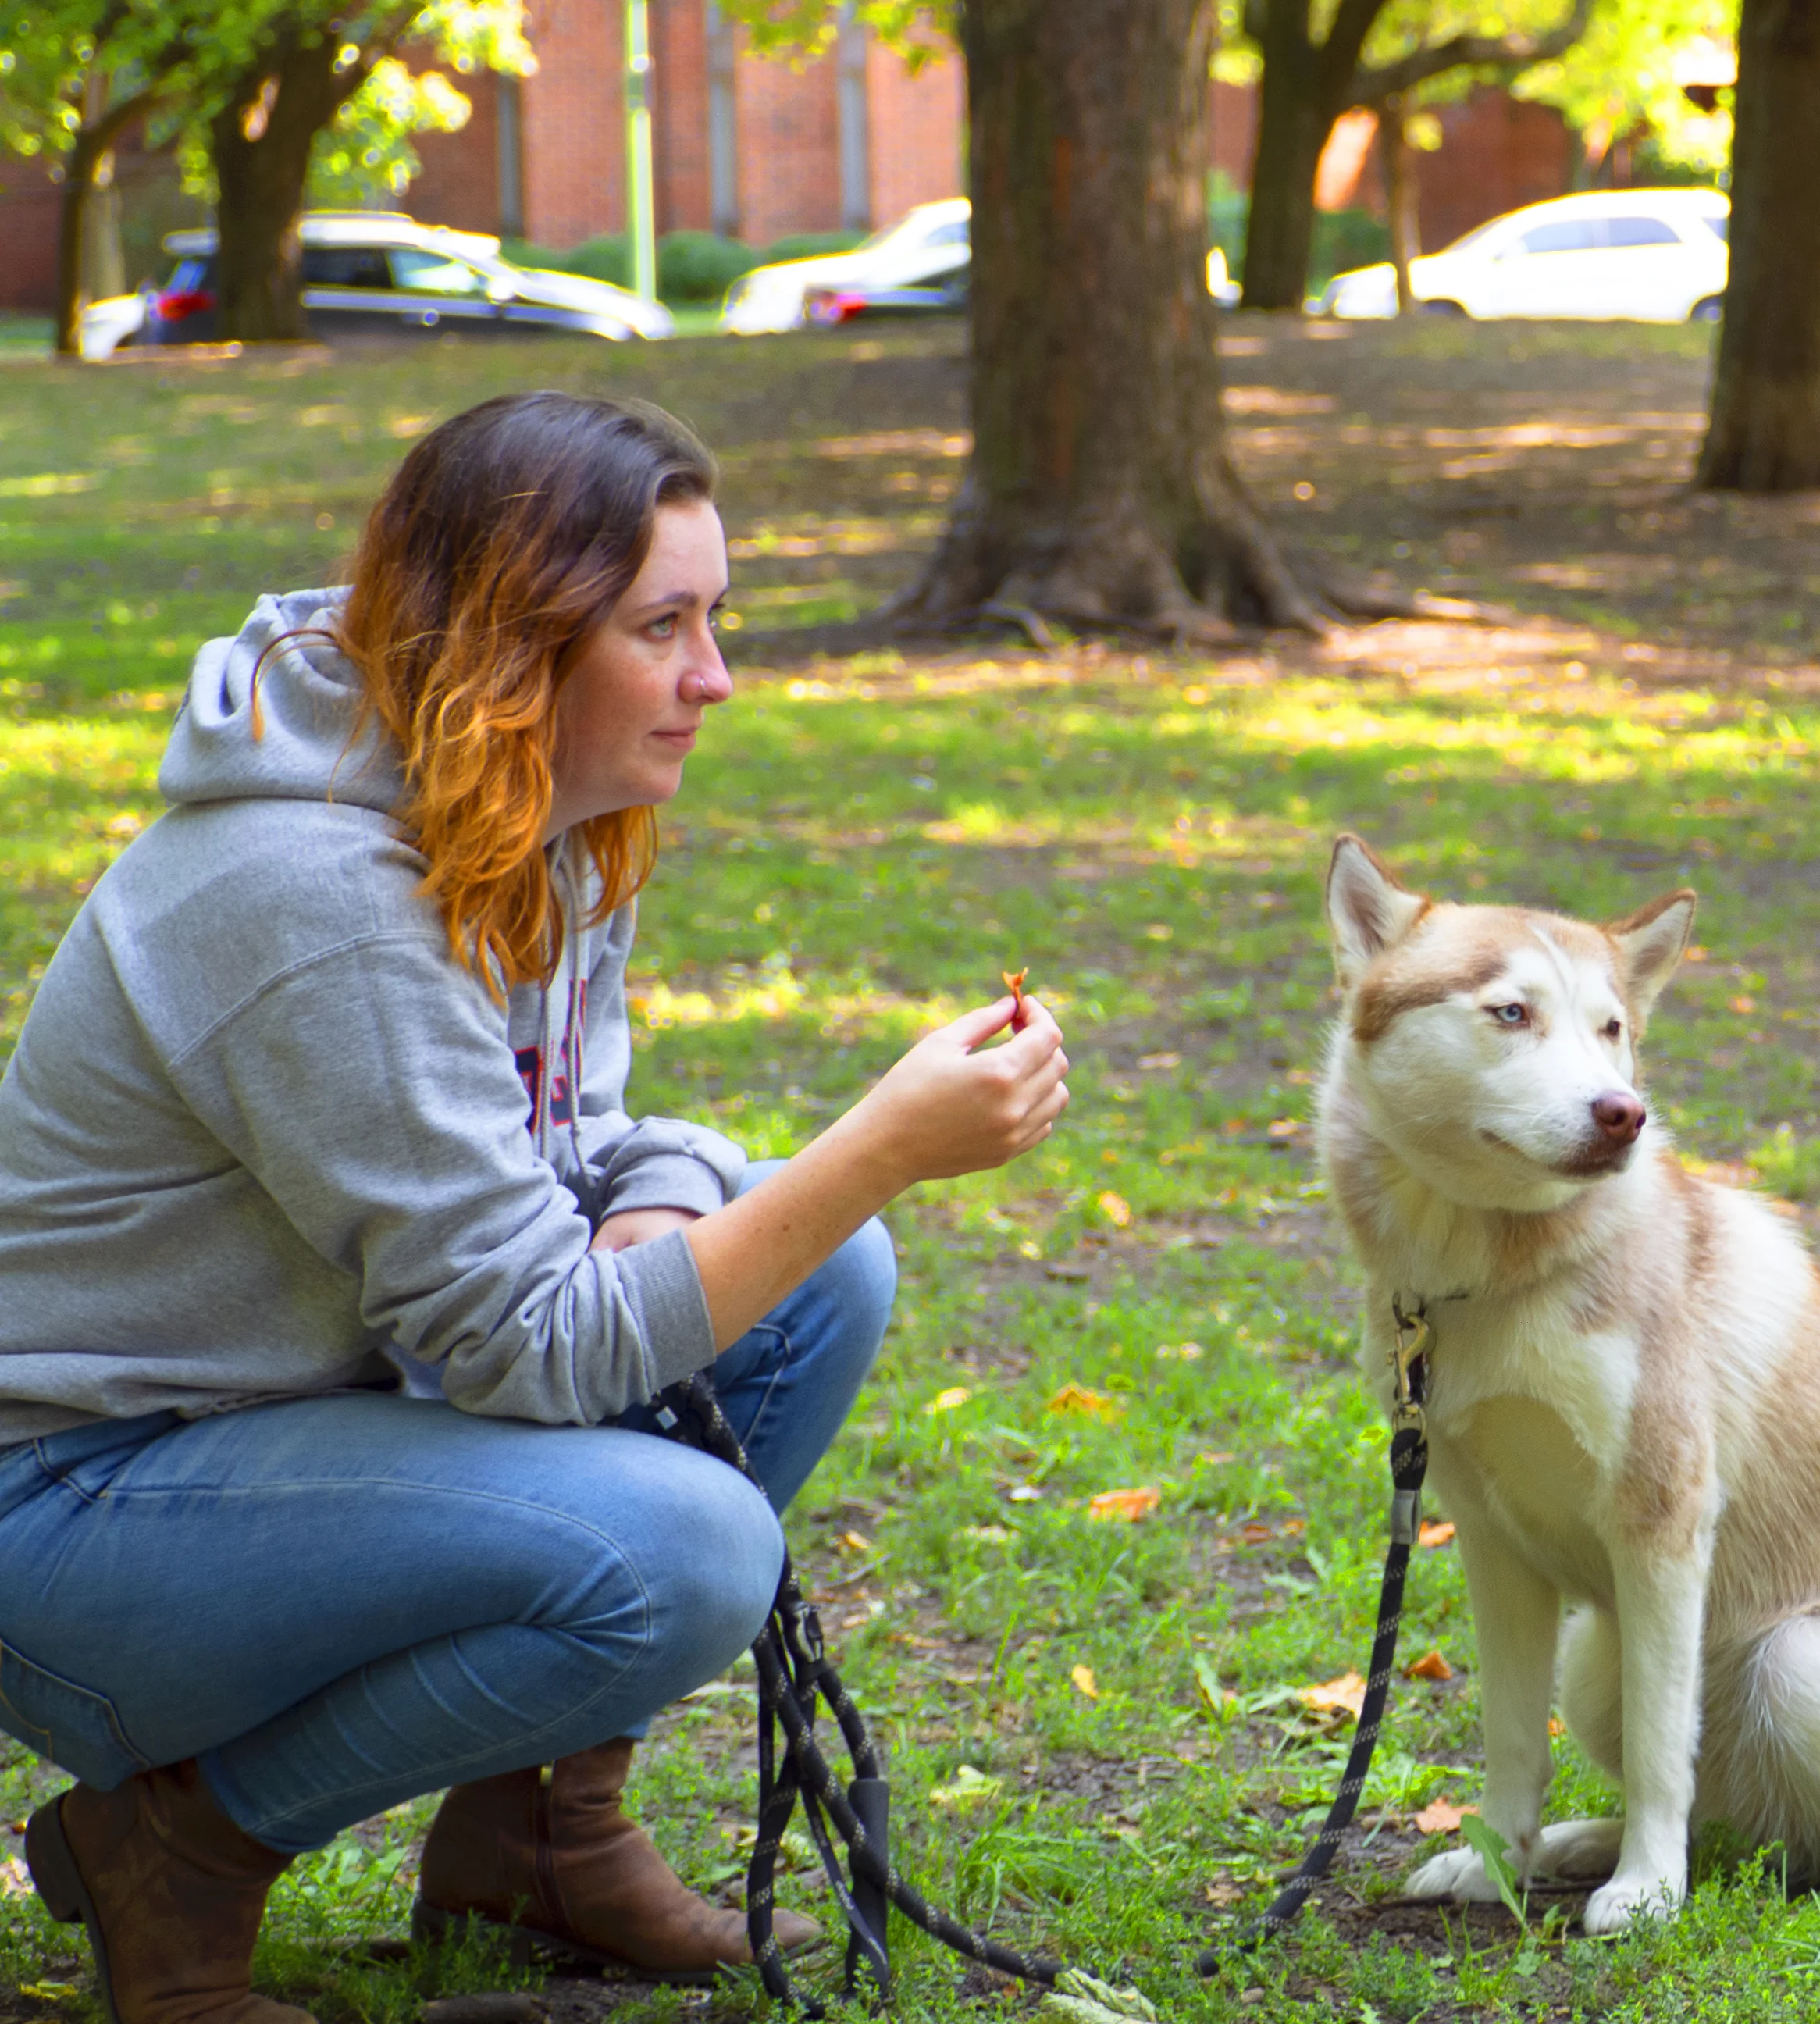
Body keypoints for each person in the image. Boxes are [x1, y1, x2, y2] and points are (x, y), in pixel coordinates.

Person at [0, 392, 1071, 2023]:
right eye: (665, 627)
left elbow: (583, 1134)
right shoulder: (308, 896)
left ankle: (538, 1837)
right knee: (686, 1551)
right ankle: (182, 1852)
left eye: (716, 619)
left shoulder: (518, 810)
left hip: (284, 1423)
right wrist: (880, 1143)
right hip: (74, 1506)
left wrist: (667, 1199)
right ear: (519, 640)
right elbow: (529, 1349)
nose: (715, 678)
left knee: (819, 1275)